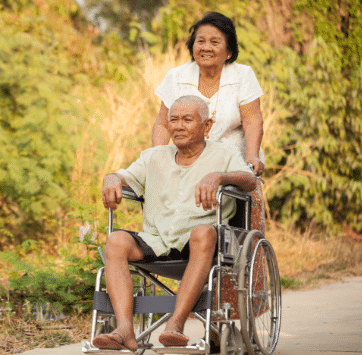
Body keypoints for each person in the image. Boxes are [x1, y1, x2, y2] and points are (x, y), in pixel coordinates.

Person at [93, 95, 256, 351]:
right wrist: (110, 179)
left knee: (203, 231)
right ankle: (125, 329)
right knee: (116, 240)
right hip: (157, 240)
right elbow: (121, 176)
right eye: (173, 120)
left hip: (200, 244)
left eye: (187, 120)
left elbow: (250, 181)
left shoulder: (224, 154)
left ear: (207, 126)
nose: (178, 126)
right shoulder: (153, 157)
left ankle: (175, 325)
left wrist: (219, 177)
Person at [152, 11, 265, 233]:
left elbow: (252, 120)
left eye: (215, 42)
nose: (206, 47)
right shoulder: (176, 77)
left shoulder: (243, 75)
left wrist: (252, 156)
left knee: (241, 236)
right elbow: (163, 124)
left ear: (229, 51)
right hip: (188, 164)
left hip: (233, 166)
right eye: (200, 41)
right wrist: (157, 158)